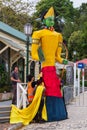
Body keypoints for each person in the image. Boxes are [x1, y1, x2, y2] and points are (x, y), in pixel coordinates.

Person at [31, 7, 68, 122]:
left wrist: (63, 61)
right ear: (43, 21)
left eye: (53, 19)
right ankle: (43, 115)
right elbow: (33, 53)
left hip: (53, 68)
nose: (51, 21)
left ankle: (58, 114)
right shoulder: (38, 34)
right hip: (45, 69)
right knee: (46, 90)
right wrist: (40, 58)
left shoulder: (58, 36)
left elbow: (57, 56)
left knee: (56, 90)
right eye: (49, 19)